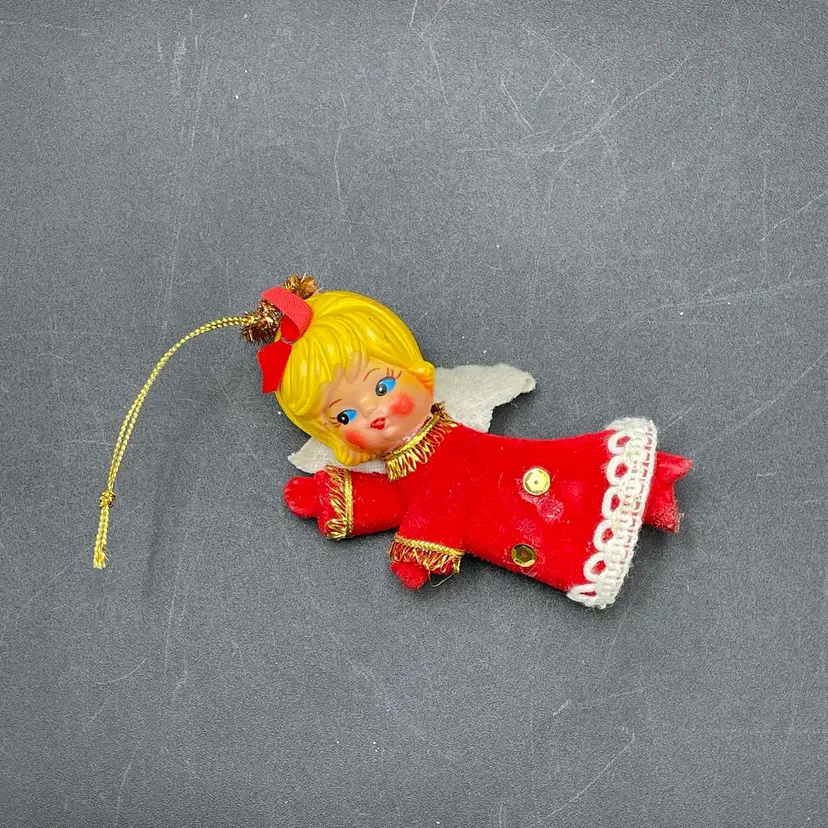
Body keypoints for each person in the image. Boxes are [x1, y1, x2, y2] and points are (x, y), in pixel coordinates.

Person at [266, 276, 692, 609]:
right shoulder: (405, 466)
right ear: (338, 439)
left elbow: (440, 498)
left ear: (417, 375)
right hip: (520, 524)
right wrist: (338, 497)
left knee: (582, 481)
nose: (372, 413)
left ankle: (652, 489)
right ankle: (648, 494)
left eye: (382, 386)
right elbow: (400, 499)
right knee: (573, 515)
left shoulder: (441, 448)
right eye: (345, 416)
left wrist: (415, 552)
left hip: (522, 488)